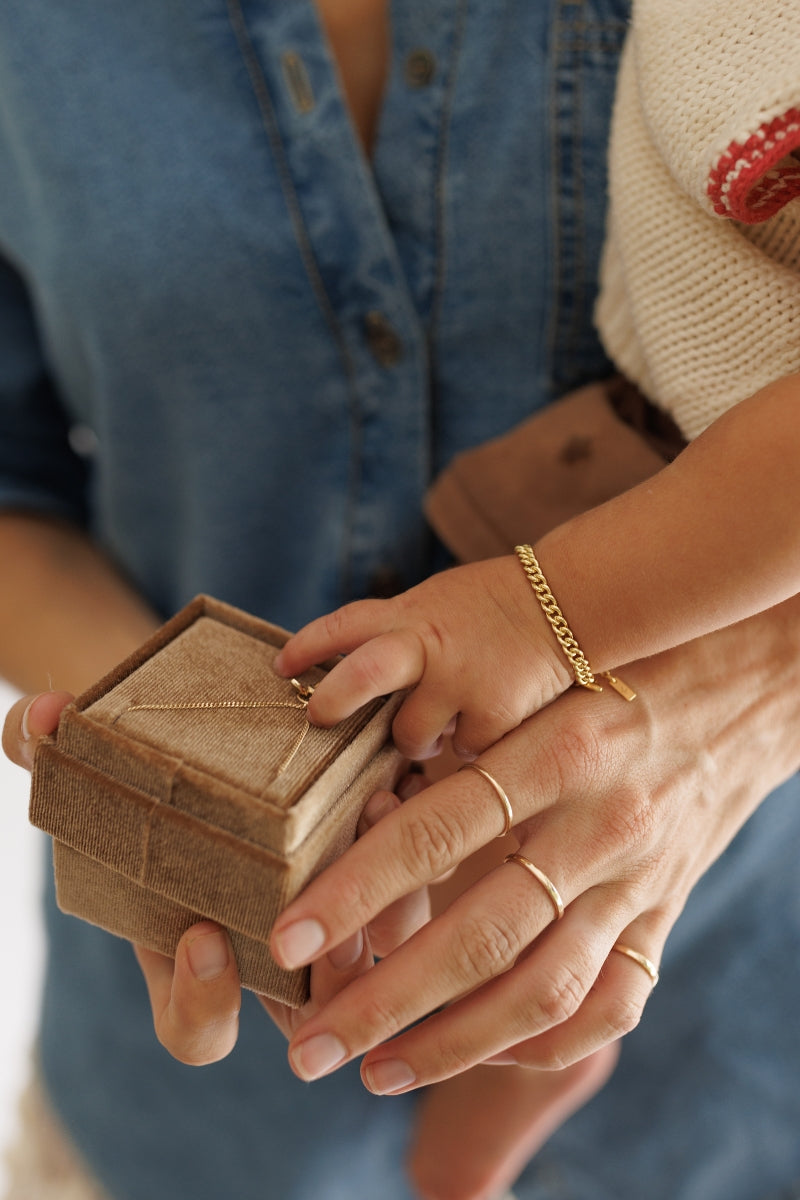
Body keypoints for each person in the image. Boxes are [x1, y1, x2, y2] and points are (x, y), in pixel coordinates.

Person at [2, 5, 799, 1200]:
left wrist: (674, 660)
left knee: (515, 971)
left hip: (728, 1046)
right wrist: (174, 779)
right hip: (194, 1127)